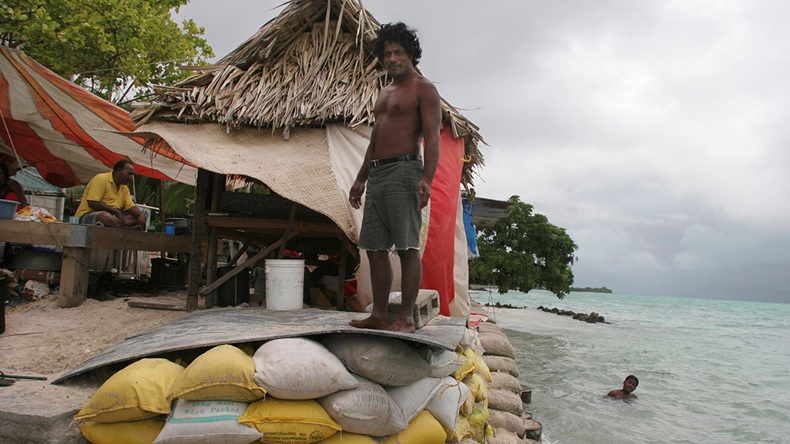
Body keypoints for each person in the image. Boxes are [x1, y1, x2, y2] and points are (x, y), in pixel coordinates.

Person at [348, 22, 442, 333]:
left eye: (399, 52)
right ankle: (379, 315)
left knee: (406, 247)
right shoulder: (385, 92)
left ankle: (404, 318)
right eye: (387, 53)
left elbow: (433, 136)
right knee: (374, 248)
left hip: (405, 171)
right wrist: (361, 178)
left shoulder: (424, 89)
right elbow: (375, 139)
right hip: (378, 174)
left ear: (411, 55)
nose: (392, 58)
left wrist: (427, 178)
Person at [75, 159, 147, 230]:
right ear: (119, 171)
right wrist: (115, 211)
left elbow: (130, 206)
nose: (130, 178)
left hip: (113, 218)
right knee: (106, 216)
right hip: (88, 215)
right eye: (129, 173)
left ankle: (120, 227)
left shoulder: (124, 189)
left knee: (135, 218)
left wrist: (141, 215)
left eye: (132, 175)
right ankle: (124, 229)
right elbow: (92, 202)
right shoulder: (101, 178)